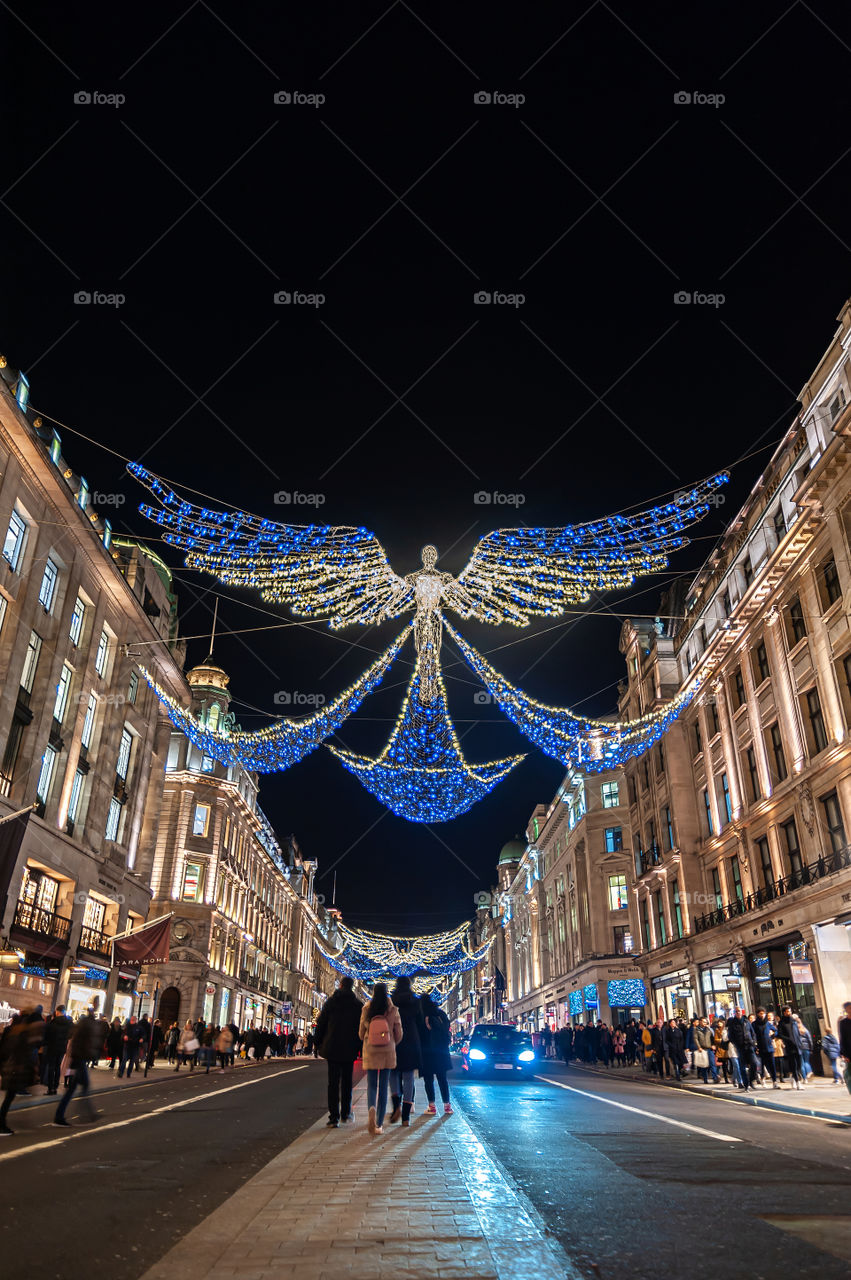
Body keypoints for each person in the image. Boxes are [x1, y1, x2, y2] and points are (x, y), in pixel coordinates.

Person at [315, 976, 363, 1127]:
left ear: (341, 985)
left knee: (333, 1083)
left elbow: (321, 1023)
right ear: (352, 987)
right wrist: (360, 1047)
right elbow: (361, 1029)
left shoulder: (331, 1002)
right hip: (349, 1049)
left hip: (332, 1047)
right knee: (347, 1082)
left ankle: (333, 1117)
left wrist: (317, 1043)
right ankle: (345, 1113)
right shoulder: (357, 1004)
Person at [358, 982, 402, 1135]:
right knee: (383, 1087)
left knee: (371, 1085)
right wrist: (391, 1042)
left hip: (370, 1050)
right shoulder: (393, 1010)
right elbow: (399, 1033)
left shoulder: (366, 1008)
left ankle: (371, 1108)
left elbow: (360, 1033)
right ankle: (378, 1124)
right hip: (387, 1051)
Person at [389, 976, 424, 1126]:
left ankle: (396, 1104)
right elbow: (421, 1023)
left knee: (394, 1074)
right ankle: (405, 1117)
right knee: (409, 1077)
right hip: (411, 1041)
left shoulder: (391, 1000)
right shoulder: (416, 1001)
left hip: (394, 1041)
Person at [54, 1009, 99, 1127]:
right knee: (82, 1086)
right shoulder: (82, 1032)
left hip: (79, 1060)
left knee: (74, 1089)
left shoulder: (80, 1029)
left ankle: (62, 1115)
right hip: (79, 1061)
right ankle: (86, 1114)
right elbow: (81, 1047)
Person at [0, 1012, 38, 1135]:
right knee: (9, 1098)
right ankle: (1, 1125)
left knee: (9, 1097)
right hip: (15, 1070)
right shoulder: (22, 1035)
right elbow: (23, 1054)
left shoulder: (12, 1031)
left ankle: (2, 1124)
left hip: (10, 1068)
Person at [420, 992, 453, 1115]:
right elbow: (447, 1028)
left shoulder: (422, 1015)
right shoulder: (441, 1014)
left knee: (428, 1080)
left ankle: (432, 1106)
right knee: (442, 1079)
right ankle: (447, 1106)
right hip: (441, 1052)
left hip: (427, 1053)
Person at [726, 1008, 760, 1091]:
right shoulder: (732, 1023)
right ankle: (746, 1084)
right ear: (734, 1013)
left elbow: (752, 1033)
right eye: (736, 1012)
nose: (738, 1013)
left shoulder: (746, 1021)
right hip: (740, 1048)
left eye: (739, 1011)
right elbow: (730, 1036)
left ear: (742, 1012)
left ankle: (751, 1080)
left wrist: (753, 1042)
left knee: (754, 1063)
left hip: (750, 1046)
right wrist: (736, 1044)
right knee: (742, 1067)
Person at [42, 1005, 72, 1095]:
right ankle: (55, 1087)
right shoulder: (69, 1023)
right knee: (57, 1067)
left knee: (51, 1067)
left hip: (52, 1047)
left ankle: (50, 1088)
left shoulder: (53, 1022)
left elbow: (47, 1036)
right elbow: (70, 1035)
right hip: (62, 1048)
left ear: (57, 1012)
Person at [776, 1007, 805, 1089]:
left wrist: (799, 1041)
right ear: (784, 1013)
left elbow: (798, 1032)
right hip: (790, 1047)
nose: (789, 1013)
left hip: (798, 1045)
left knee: (799, 1064)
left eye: (790, 1011)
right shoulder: (782, 1023)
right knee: (793, 1065)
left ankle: (793, 1078)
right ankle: (798, 1082)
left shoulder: (794, 1021)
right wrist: (788, 1040)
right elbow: (780, 1034)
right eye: (787, 1011)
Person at [753, 1008, 780, 1089]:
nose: (762, 1015)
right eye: (760, 1013)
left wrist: (772, 1035)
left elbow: (776, 1031)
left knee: (772, 1065)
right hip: (760, 1048)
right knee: (761, 1065)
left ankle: (774, 1081)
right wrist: (755, 1046)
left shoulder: (768, 1023)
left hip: (769, 1047)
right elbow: (752, 1035)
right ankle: (762, 1079)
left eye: (763, 1013)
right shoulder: (754, 1024)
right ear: (757, 1014)